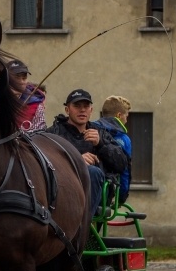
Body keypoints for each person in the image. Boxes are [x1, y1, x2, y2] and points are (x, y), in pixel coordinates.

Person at [46, 89, 128, 218]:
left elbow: (122, 164)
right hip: (61, 191)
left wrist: (101, 144)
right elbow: (42, 161)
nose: (82, 110)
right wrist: (76, 160)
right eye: (77, 106)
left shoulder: (101, 133)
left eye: (86, 106)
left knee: (93, 172)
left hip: (96, 193)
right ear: (67, 110)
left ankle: (81, 226)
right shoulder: (53, 133)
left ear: (91, 110)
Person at [93, 95, 132, 205]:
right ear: (119, 115)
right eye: (126, 116)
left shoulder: (91, 129)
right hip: (105, 192)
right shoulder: (123, 139)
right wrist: (121, 198)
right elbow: (125, 171)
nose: (126, 120)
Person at [7, 59, 46, 131]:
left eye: (24, 78)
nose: (21, 82)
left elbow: (39, 133)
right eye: (16, 78)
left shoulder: (36, 105)